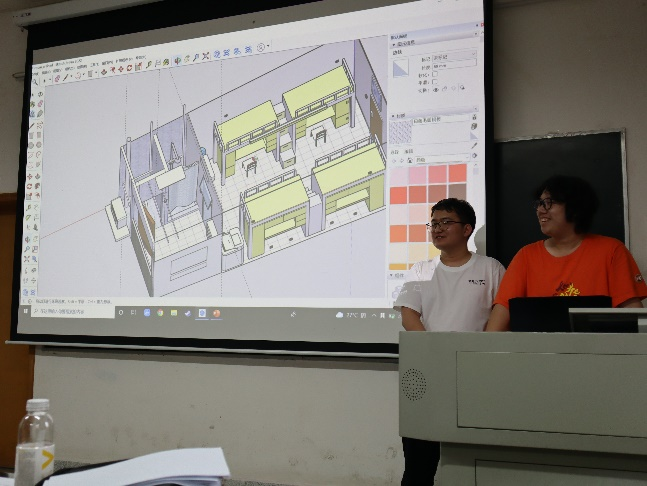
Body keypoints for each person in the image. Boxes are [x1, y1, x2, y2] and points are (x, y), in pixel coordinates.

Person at [393, 198, 505, 485]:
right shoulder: (421, 269)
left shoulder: (490, 268)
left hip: (475, 374)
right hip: (428, 375)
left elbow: (502, 313)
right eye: (434, 223)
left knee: (472, 461)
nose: (437, 229)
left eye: (446, 222)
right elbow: (409, 316)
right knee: (419, 463)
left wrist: (479, 355)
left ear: (467, 229)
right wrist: (435, 355)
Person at [486, 175, 647, 332]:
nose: (540, 210)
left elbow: (634, 320)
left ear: (575, 207)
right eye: (539, 203)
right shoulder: (526, 256)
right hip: (539, 349)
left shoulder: (612, 250)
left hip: (598, 348)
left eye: (548, 203)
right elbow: (496, 326)